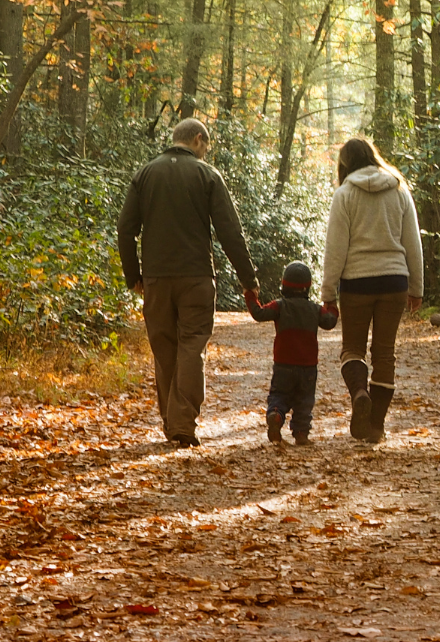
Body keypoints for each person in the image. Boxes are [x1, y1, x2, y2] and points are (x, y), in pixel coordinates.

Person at [117, 118, 258, 448]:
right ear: (198, 140)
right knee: (192, 345)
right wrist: (248, 279)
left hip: (155, 278)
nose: (205, 153)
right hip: (196, 277)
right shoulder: (207, 175)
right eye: (205, 147)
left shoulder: (145, 174)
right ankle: (182, 422)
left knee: (164, 349)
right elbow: (230, 233)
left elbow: (125, 229)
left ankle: (172, 420)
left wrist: (133, 277)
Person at [320, 138, 423, 444]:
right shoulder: (399, 190)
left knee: (352, 348)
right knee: (385, 354)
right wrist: (416, 287)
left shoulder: (345, 194)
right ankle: (375, 426)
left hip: (357, 283)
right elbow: (412, 244)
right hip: (394, 281)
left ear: (346, 163)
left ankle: (359, 393)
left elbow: (335, 248)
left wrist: (329, 292)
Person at [245, 261, 338, 446]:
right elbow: (330, 321)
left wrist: (250, 294)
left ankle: (276, 414)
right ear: (307, 287)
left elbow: (259, 313)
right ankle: (301, 433)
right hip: (308, 366)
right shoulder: (315, 309)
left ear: (284, 285)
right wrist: (332, 305)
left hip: (283, 364)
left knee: (279, 393)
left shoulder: (280, 306)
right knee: (304, 400)